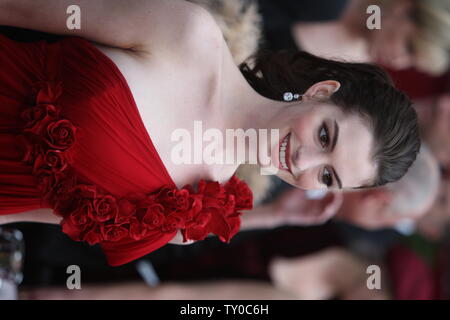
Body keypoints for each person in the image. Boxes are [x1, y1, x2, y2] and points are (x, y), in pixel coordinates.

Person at [0, 0, 420, 266]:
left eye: (327, 177)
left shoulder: (195, 212)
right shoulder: (189, 35)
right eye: (326, 136)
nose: (303, 161)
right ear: (322, 92)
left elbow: (27, 208)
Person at [240, 145, 439, 230]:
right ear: (377, 200)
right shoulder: (286, 168)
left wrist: (275, 214)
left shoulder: (296, 203)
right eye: (386, 221)